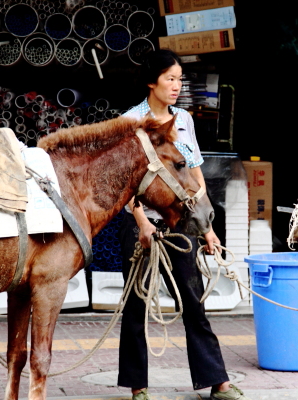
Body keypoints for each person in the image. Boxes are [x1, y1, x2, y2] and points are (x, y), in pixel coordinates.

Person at [118, 49, 250, 400]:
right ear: (151, 81)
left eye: (179, 79)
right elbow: (126, 183)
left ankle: (217, 381)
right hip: (141, 227)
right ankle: (138, 387)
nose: (176, 86)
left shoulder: (185, 120)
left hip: (181, 224)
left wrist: (205, 227)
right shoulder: (130, 122)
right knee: (136, 306)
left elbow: (193, 173)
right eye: (169, 79)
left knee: (193, 301)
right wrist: (143, 223)